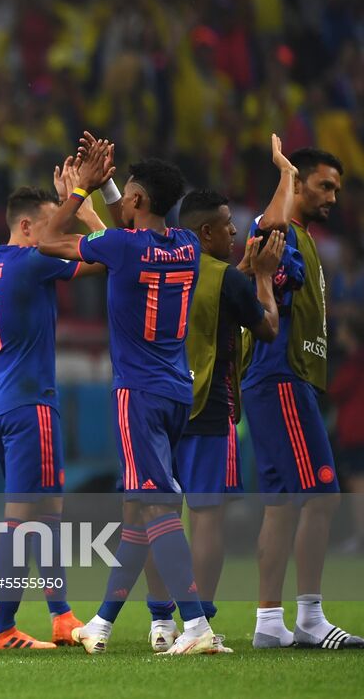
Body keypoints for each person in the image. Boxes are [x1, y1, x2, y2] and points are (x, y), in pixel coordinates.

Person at [39, 140, 227, 656]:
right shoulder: (186, 243)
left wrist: (78, 192)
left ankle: (195, 626)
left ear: (139, 199)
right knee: (140, 512)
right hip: (175, 391)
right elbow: (121, 234)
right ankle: (103, 623)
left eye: (129, 197)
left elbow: (50, 238)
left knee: (156, 506)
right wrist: (109, 190)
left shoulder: (125, 247)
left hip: (137, 394)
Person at [140, 189, 283, 650]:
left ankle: (161, 621)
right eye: (227, 225)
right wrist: (261, 276)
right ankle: (197, 622)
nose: (236, 231)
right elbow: (267, 327)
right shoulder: (227, 278)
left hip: (154, 402)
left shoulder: (161, 263)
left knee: (158, 514)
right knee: (205, 516)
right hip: (207, 406)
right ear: (206, 232)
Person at [242, 139, 363, 649]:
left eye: (337, 187)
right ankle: (311, 617)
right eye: (325, 185)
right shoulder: (285, 232)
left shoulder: (307, 240)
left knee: (284, 504)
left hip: (282, 380)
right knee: (323, 494)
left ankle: (269, 622)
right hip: (283, 377)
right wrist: (282, 174)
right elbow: (261, 238)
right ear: (298, 184)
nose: (334, 195)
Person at [0, 179, 104, 650]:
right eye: (51, 225)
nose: (57, 234)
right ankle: (1, 627)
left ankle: (61, 615)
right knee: (25, 519)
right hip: (31, 406)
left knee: (46, 514)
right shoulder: (33, 264)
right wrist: (85, 204)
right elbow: (106, 256)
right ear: (28, 226)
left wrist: (69, 207)